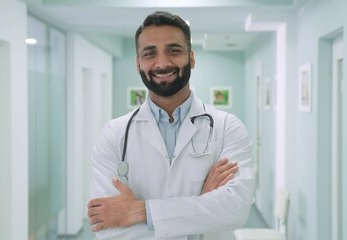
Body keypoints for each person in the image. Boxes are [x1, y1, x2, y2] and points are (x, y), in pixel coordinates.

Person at [88, 11, 254, 239]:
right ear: (138, 63)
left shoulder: (228, 127)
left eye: (173, 50)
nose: (162, 62)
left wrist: (137, 210)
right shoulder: (113, 135)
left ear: (191, 58)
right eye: (150, 53)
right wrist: (201, 206)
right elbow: (109, 228)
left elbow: (235, 209)